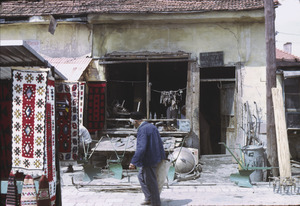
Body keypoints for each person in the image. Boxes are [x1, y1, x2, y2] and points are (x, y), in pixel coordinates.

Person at [129, 112, 166, 206]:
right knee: (141, 176)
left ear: (136, 121)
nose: (132, 124)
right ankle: (149, 197)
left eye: (132, 122)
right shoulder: (151, 126)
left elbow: (141, 148)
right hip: (154, 157)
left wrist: (133, 162)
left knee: (151, 182)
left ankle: (156, 203)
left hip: (150, 159)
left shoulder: (143, 129)